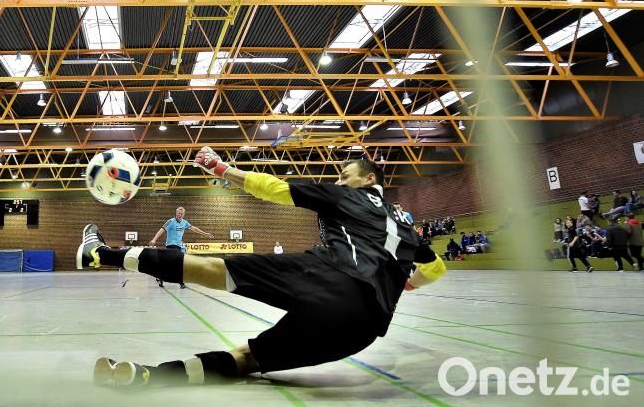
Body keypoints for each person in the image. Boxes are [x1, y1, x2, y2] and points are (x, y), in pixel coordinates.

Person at [75, 148, 446, 387]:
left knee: (217, 271)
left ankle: (99, 254)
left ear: (368, 180)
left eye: (344, 175)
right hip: (363, 329)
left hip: (333, 277)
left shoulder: (349, 195)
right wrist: (403, 285)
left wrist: (223, 168)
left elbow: (276, 188)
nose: (338, 181)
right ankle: (150, 377)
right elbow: (435, 269)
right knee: (248, 360)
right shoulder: (407, 227)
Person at [148, 207, 214, 289]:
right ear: (176, 213)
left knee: (177, 263)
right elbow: (162, 229)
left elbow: (194, 229)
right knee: (175, 263)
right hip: (171, 245)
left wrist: (205, 234)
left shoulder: (184, 222)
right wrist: (154, 239)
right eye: (178, 213)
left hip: (179, 245)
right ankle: (166, 278)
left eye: (181, 214)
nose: (180, 215)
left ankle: (176, 281)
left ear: (183, 214)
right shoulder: (171, 221)